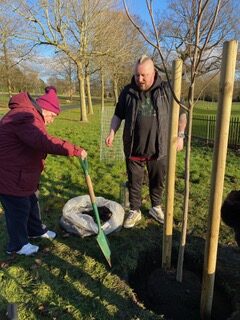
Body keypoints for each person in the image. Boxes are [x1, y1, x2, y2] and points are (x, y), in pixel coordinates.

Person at [0, 86, 87, 255]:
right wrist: (74, 150)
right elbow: (42, 141)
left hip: (23, 174)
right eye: (53, 116)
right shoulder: (25, 116)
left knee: (32, 201)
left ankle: (35, 230)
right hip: (9, 175)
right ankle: (17, 245)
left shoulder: (30, 115)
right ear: (45, 109)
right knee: (18, 210)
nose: (52, 120)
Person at [105, 55, 187, 228]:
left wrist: (181, 135)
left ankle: (155, 207)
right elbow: (118, 114)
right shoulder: (128, 91)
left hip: (159, 147)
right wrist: (112, 132)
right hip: (134, 147)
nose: (140, 79)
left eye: (144, 75)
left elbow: (182, 114)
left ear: (154, 72)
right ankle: (135, 210)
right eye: (137, 75)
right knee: (134, 181)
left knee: (157, 180)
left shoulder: (167, 90)